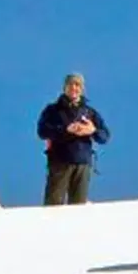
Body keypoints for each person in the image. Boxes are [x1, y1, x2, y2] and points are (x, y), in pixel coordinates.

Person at [37, 73, 111, 206]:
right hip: (60, 162)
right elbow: (42, 131)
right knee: (53, 206)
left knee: (78, 209)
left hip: (82, 164)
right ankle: (50, 227)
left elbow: (105, 136)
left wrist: (92, 130)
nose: (74, 88)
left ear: (82, 89)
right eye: (70, 84)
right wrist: (66, 129)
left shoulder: (89, 112)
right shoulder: (53, 110)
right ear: (64, 87)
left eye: (77, 85)